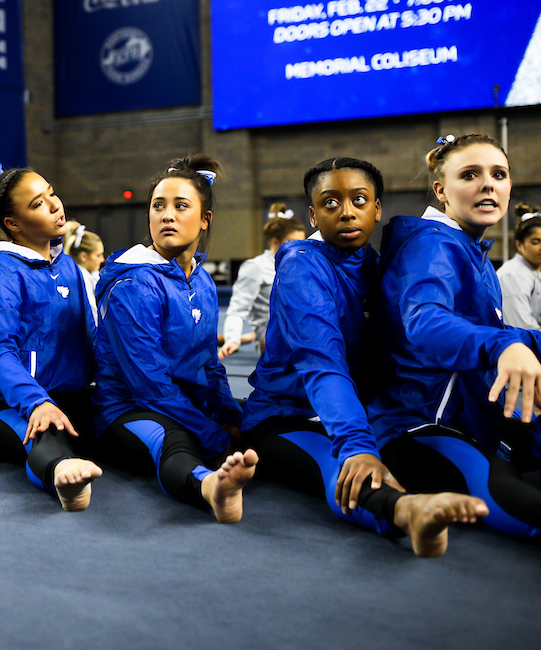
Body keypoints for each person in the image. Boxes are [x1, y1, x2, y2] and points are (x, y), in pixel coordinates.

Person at [242, 158, 487, 556]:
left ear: (376, 208)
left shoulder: (379, 268)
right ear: (314, 214)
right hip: (286, 416)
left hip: (360, 413)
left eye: (359, 200)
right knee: (338, 464)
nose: (347, 212)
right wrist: (357, 446)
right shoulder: (303, 264)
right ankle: (408, 512)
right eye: (330, 203)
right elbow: (323, 365)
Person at [370, 134, 541, 540]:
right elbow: (426, 321)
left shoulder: (470, 248)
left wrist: (530, 342)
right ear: (441, 191)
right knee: (505, 491)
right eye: (470, 174)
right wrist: (505, 347)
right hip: (416, 425)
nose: (488, 184)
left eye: (499, 174)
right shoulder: (432, 244)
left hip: (466, 416)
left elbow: (489, 327)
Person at [92, 155, 257, 523]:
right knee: (177, 440)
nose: (167, 215)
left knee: (257, 417)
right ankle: (210, 487)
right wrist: (215, 437)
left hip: (183, 402)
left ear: (204, 220)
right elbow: (149, 387)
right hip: (129, 409)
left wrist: (229, 417)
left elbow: (209, 362)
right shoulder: (132, 283)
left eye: (181, 206)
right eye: (158, 206)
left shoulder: (202, 279)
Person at [0, 165, 102, 511]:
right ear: (13, 223)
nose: (55, 205)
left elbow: (91, 340)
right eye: (38, 204)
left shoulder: (68, 267)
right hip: (3, 403)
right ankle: (60, 473)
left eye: (52, 193)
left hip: (66, 397)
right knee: (47, 435)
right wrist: (36, 402)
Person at [219, 204, 305, 359]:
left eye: (301, 244)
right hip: (272, 340)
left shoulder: (302, 266)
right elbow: (237, 309)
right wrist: (232, 339)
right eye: (292, 243)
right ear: (274, 242)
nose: (297, 249)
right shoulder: (256, 267)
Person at [497, 204, 541, 330]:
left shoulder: (535, 271)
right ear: (519, 245)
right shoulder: (513, 275)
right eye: (535, 242)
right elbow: (522, 329)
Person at [63, 220, 104, 316]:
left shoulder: (80, 273)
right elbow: (91, 313)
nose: (102, 259)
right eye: (98, 255)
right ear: (83, 257)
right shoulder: (82, 277)